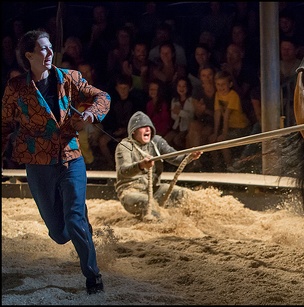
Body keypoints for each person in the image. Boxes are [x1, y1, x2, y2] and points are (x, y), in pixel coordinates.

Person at [1, 30, 110, 295]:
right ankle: (79, 223)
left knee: (74, 220)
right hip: (37, 163)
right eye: (42, 49)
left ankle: (93, 276)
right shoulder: (17, 88)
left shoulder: (69, 78)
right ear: (29, 55)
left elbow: (102, 97)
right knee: (60, 233)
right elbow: (3, 125)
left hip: (70, 157)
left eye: (50, 48)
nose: (49, 54)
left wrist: (91, 115)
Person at [115, 111, 202, 221]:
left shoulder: (156, 141)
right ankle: (161, 227)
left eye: (149, 127)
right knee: (147, 203)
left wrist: (189, 156)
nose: (147, 130)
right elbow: (124, 171)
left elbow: (175, 157)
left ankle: (194, 220)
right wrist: (141, 165)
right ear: (133, 131)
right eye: (143, 127)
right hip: (131, 192)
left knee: (182, 194)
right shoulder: (124, 146)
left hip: (154, 190)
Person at [208, 70, 252, 171]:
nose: (221, 87)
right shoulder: (218, 95)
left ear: (230, 84)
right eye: (218, 84)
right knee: (212, 139)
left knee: (223, 140)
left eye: (223, 84)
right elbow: (217, 113)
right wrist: (215, 133)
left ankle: (230, 166)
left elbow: (227, 115)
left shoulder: (233, 95)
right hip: (230, 127)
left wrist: (224, 133)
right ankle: (217, 165)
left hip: (241, 127)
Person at [164, 76, 195, 150]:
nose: (181, 88)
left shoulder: (191, 100)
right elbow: (173, 116)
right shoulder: (174, 100)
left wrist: (180, 112)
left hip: (187, 128)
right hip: (176, 127)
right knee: (165, 140)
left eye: (184, 86)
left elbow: (191, 116)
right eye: (179, 86)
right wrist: (177, 112)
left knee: (177, 140)